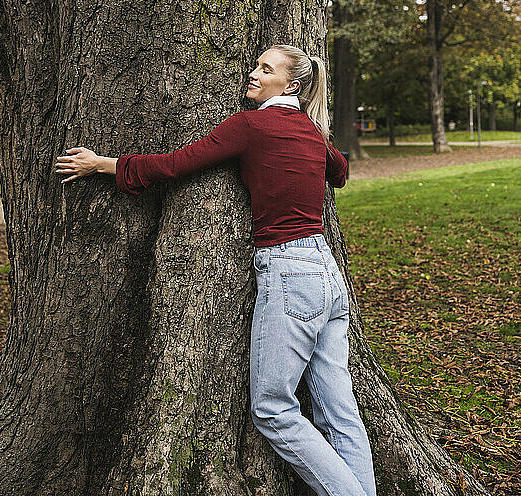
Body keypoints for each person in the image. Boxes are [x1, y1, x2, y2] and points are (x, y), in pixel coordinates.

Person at [54, 44, 377, 496]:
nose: (253, 73)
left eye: (266, 69)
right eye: (256, 65)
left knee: (273, 411)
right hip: (326, 273)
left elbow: (174, 165)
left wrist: (103, 164)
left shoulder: (250, 126)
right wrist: (315, 131)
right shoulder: (308, 131)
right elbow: (339, 172)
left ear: (292, 84)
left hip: (290, 272)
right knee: (340, 412)